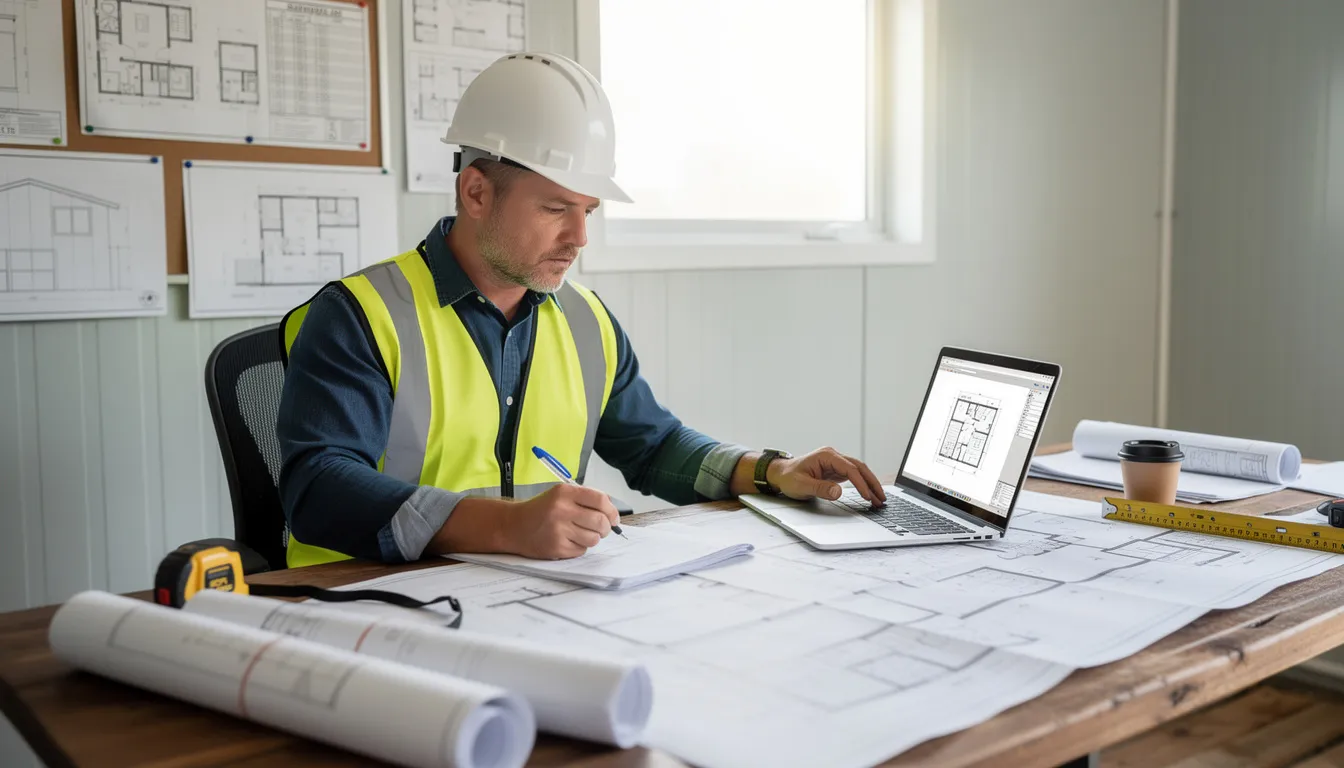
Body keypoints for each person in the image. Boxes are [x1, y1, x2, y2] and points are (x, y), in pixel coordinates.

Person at [275, 52, 885, 567]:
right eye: (554, 209)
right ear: (477, 192)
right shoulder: (360, 315)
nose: (579, 237)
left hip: (538, 604)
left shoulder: (587, 323)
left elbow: (653, 446)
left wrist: (768, 472)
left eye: (587, 211)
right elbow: (319, 487)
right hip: (375, 609)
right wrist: (508, 526)